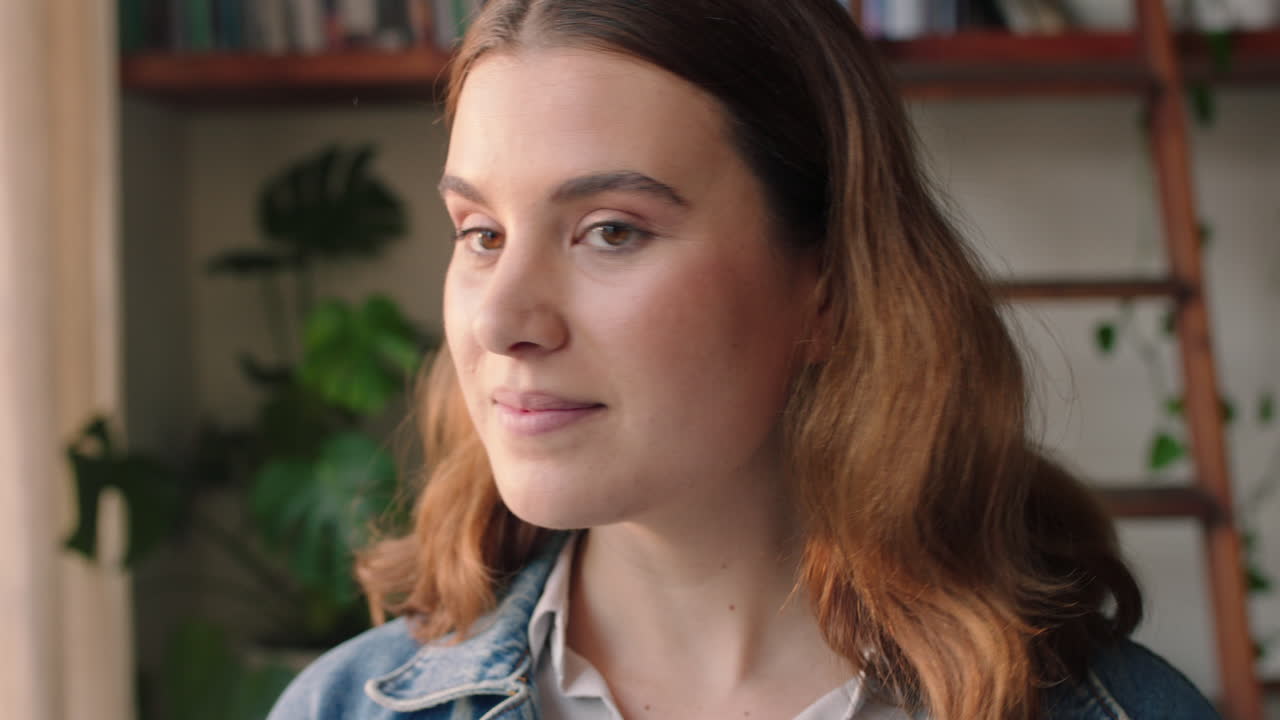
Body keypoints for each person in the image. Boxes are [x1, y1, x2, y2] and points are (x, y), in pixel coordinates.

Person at [267, 1, 1223, 718]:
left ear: (829, 287)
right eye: (479, 233)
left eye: (609, 231)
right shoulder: (341, 707)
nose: (501, 321)